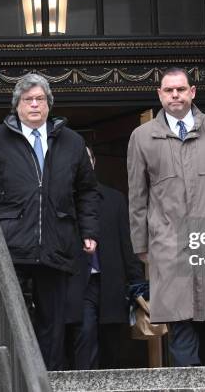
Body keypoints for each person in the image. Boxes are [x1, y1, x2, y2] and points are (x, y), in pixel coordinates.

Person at [0, 73, 99, 371]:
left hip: (56, 244)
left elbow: (87, 191)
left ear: (49, 104)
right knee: (13, 318)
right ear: (16, 105)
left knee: (53, 323)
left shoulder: (72, 142)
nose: (34, 105)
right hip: (10, 245)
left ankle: (47, 378)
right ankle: (17, 375)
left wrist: (89, 231)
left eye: (40, 99)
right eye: (28, 100)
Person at [127, 67, 205, 367]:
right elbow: (137, 197)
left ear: (192, 92)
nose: (175, 95)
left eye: (180, 89)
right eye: (168, 90)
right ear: (159, 94)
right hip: (168, 246)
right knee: (180, 324)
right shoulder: (143, 137)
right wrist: (141, 245)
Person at [69, 147, 145, 370]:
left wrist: (138, 284)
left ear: (93, 163)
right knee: (85, 335)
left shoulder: (114, 199)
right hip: (78, 284)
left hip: (111, 282)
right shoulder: (62, 201)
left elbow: (126, 245)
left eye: (86, 159)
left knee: (112, 343)